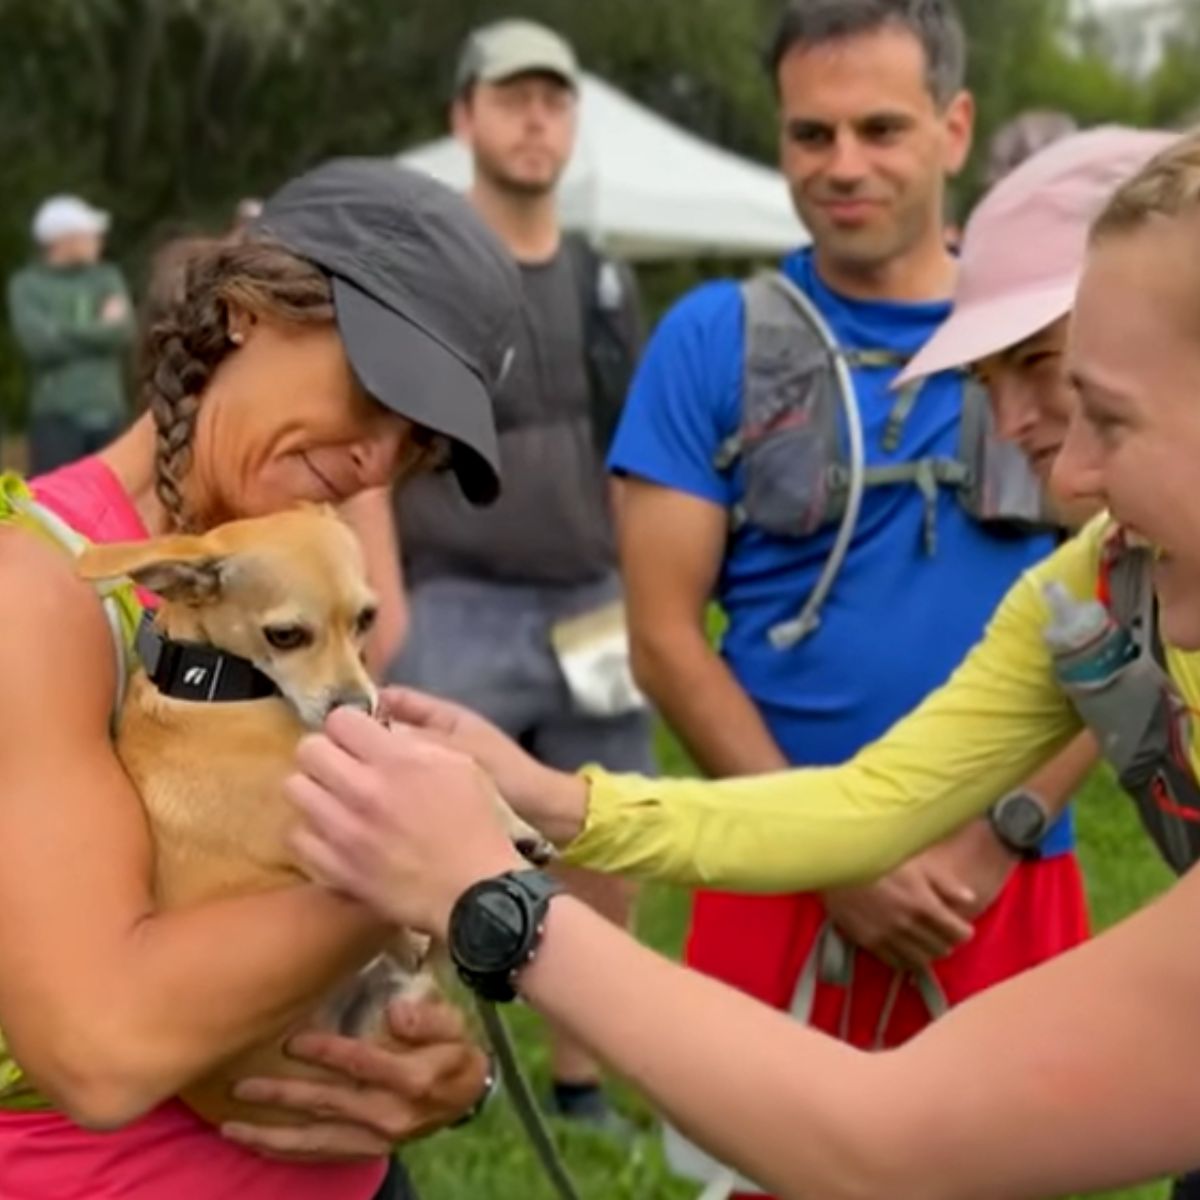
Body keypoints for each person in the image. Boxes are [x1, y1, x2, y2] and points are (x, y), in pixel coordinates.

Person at [285, 127, 1200, 1199]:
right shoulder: (1104, 575)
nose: (1065, 473)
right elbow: (874, 799)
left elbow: (885, 1142)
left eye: (1108, 414)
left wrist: (496, 901)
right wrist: (555, 800)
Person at [606, 2, 1088, 1180]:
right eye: (810, 135)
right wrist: (830, 856)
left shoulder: (1063, 326)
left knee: (1001, 1173)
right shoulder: (710, 337)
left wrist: (996, 834)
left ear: (956, 125)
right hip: (780, 865)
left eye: (881, 127)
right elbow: (664, 639)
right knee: (764, 1173)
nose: (843, 166)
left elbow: (1144, 599)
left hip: (1008, 866)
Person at [0, 158, 523, 1200]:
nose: (379, 460)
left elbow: (284, 921)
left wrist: (437, 1072)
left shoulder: (310, 569)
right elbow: (100, 1044)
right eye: (377, 394)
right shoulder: (40, 591)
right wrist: (426, 872)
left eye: (416, 442)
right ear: (244, 311)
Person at [388, 18, 649, 1132]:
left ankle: (582, 1080)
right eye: (512, 98)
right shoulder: (420, 272)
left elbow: (634, 448)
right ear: (465, 119)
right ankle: (415, 1069)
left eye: (554, 99)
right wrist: (379, 598)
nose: (536, 118)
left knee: (599, 841)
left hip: (593, 603)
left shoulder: (604, 280)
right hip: (450, 600)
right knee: (404, 851)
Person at [6, 194, 136, 475]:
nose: (97, 242)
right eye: (88, 235)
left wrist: (61, 331)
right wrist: (99, 330)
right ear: (63, 240)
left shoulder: (105, 277)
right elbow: (39, 345)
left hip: (109, 414)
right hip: (57, 420)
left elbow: (122, 332)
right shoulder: (28, 285)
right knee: (52, 506)